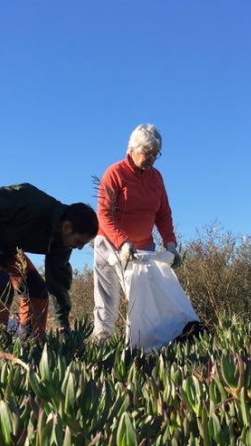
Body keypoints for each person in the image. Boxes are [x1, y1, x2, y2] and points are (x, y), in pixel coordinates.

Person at [0, 183, 98, 338]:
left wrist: (64, 327)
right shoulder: (32, 202)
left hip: (4, 246)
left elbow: (58, 286)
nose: (80, 248)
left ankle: (32, 346)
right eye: (79, 242)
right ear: (67, 227)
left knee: (37, 291)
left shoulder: (61, 243)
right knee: (1, 285)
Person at [92, 123, 182, 341]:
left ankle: (147, 344)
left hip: (143, 248)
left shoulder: (156, 178)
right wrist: (122, 241)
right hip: (110, 246)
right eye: (147, 152)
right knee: (107, 300)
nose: (151, 158)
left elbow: (163, 214)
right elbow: (104, 213)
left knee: (145, 300)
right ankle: (101, 345)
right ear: (131, 149)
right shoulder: (115, 173)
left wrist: (170, 243)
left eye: (155, 154)